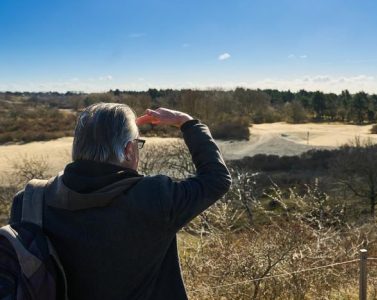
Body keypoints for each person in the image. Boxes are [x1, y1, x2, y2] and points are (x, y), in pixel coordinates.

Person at [9, 103, 231, 299]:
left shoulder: (29, 201)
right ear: (128, 150)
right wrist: (187, 122)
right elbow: (216, 179)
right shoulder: (156, 197)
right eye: (137, 144)